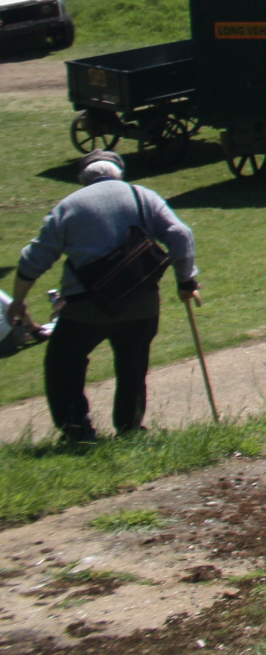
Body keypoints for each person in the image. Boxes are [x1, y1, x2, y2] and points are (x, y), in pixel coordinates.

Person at [10, 154, 199, 444]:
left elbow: (34, 259)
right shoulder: (143, 196)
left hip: (87, 307)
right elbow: (180, 234)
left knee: (63, 365)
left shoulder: (69, 206)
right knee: (133, 365)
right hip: (142, 303)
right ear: (119, 174)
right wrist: (186, 280)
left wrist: (19, 301)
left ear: (83, 179)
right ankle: (130, 428)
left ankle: (78, 431)